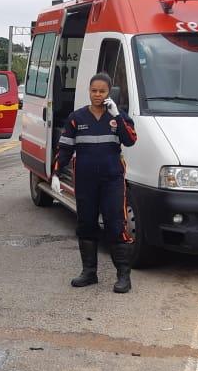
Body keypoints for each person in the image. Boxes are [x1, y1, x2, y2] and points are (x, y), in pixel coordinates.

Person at [53, 73, 138, 293]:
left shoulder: (118, 117)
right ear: (89, 91)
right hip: (86, 182)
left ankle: (123, 277)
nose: (97, 95)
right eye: (94, 91)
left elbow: (130, 139)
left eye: (102, 91)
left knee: (116, 225)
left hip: (112, 181)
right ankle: (89, 272)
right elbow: (65, 149)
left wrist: (117, 115)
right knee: (86, 225)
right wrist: (55, 174)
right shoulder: (76, 118)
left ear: (110, 93)